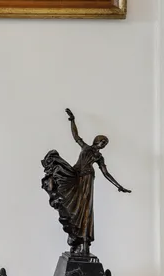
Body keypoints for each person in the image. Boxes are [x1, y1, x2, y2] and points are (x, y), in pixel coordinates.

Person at [40, 108, 130, 254]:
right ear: (97, 141)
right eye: (103, 141)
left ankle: (83, 240)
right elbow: (76, 136)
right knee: (67, 197)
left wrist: (119, 186)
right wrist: (72, 120)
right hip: (75, 176)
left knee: (85, 210)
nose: (103, 144)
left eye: (105, 143)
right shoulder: (86, 147)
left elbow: (106, 173)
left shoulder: (99, 157)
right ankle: (75, 235)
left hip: (87, 181)